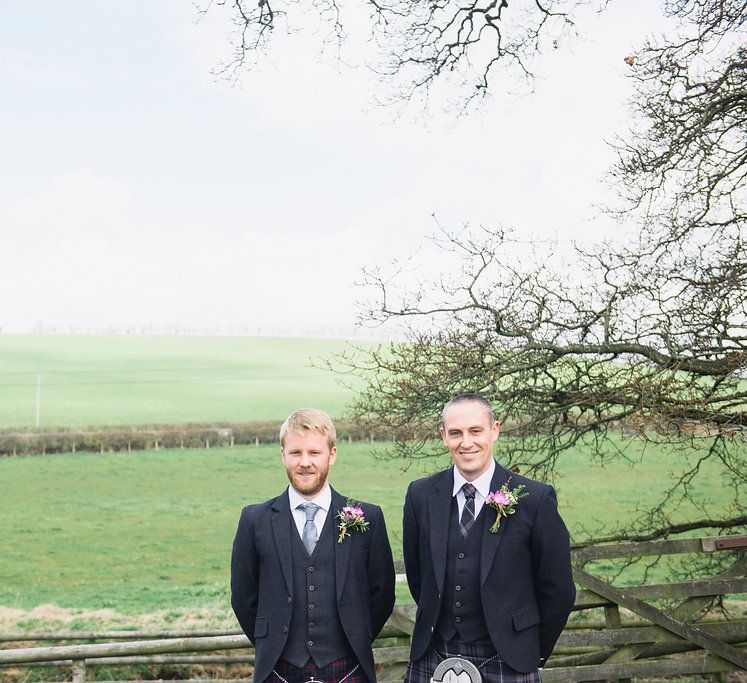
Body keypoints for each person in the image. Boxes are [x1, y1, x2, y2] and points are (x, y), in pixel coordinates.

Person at [403, 393, 575, 682]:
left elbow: (558, 591)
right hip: (434, 652)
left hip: (509, 658)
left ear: (494, 430)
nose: (466, 442)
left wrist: (531, 653)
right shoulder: (420, 495)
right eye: (456, 433)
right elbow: (418, 578)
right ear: (443, 436)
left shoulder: (535, 499)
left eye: (475, 431)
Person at [231, 408, 396, 683]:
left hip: (347, 667)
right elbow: (243, 597)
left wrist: (357, 633)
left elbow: (381, 594)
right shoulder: (254, 520)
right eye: (295, 453)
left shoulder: (369, 517)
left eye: (314, 453)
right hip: (278, 669)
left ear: (331, 455)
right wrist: (270, 641)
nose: (304, 462)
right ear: (283, 455)